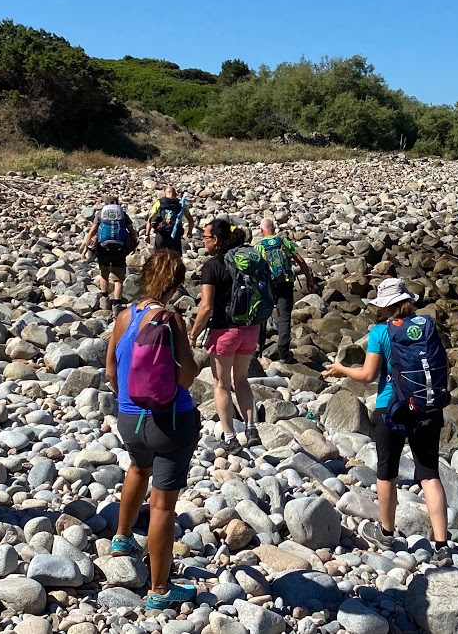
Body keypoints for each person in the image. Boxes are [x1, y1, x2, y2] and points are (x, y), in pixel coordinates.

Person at [323, 278, 452, 563]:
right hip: (427, 407)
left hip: (391, 408)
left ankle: (386, 532)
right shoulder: (426, 327)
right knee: (429, 474)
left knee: (387, 473)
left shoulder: (380, 332)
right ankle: (442, 546)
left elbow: (368, 375)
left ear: (384, 306)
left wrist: (342, 369)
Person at [104, 249, 201, 610]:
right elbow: (186, 374)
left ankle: (122, 537)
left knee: (137, 468)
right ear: (175, 283)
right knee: (162, 506)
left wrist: (128, 401)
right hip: (170, 421)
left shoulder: (124, 315)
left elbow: (112, 369)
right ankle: (160, 590)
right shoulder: (170, 318)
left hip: (130, 419)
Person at [190, 218, 260, 447]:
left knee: (221, 384)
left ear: (217, 240)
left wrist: (193, 333)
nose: (203, 241)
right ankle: (251, 428)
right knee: (241, 379)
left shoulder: (212, 266)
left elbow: (206, 307)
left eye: (205, 237)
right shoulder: (246, 262)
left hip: (224, 331)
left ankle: (229, 437)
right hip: (251, 328)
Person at [254, 218, 316, 363]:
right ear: (274, 228)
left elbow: (255, 269)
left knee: (262, 317)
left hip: (268, 285)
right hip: (285, 282)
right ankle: (284, 353)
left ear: (262, 230)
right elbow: (300, 260)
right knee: (284, 318)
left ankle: (257, 350)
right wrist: (309, 279)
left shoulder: (259, 247)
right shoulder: (283, 242)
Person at [80, 202, 137, 307]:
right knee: (118, 279)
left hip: (103, 248)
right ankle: (117, 305)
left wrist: (86, 246)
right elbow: (131, 230)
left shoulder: (101, 213)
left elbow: (93, 230)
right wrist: (133, 244)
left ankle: (105, 300)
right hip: (119, 249)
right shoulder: (123, 214)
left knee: (104, 275)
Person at [146, 187, 195, 253]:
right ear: (175, 194)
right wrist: (189, 232)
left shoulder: (159, 203)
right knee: (175, 258)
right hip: (175, 234)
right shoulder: (181, 205)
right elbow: (190, 220)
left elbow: (150, 219)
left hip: (161, 234)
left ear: (165, 194)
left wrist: (147, 235)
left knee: (158, 257)